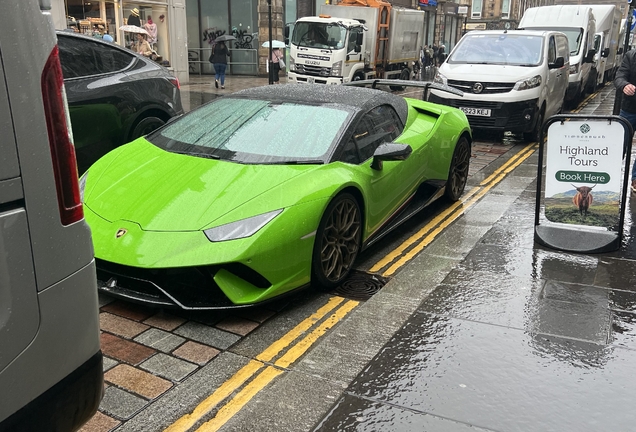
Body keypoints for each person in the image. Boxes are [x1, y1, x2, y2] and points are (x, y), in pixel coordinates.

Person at [614, 48, 636, 193]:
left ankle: (635, 179)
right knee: (619, 144)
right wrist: (624, 85)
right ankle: (611, 175)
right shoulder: (631, 56)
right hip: (629, 109)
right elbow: (619, 77)